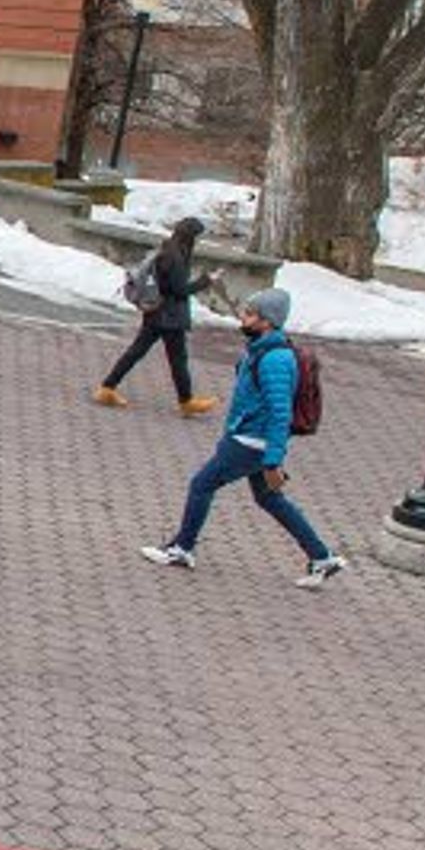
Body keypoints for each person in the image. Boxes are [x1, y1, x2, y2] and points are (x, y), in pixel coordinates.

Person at [139, 286, 344, 587]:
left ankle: (182, 548)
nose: (243, 318)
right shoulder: (261, 349)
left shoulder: (274, 360)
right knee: (270, 499)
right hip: (251, 438)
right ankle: (322, 557)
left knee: (202, 484)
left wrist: (273, 459)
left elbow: (280, 413)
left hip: (251, 442)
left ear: (267, 321)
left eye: (250, 314)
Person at [96, 215, 218, 413]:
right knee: (178, 359)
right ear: (190, 237)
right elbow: (179, 290)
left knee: (137, 352)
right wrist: (206, 281)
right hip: (170, 316)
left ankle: (107, 387)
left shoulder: (166, 249)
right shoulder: (177, 258)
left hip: (156, 312)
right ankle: (186, 401)